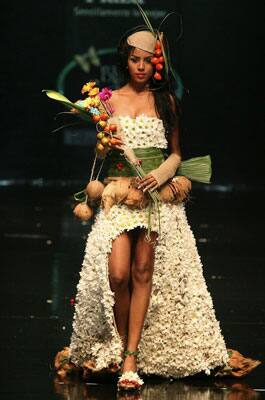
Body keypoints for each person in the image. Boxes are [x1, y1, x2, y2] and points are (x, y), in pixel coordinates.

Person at [57, 24, 261, 393]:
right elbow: (99, 154)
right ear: (125, 61)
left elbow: (178, 153)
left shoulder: (166, 102)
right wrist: (104, 145)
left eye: (147, 61)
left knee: (142, 270)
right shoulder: (106, 101)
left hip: (155, 198)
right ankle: (121, 344)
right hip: (119, 194)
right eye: (134, 60)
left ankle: (130, 358)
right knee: (117, 274)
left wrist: (162, 173)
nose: (140, 67)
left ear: (156, 65)